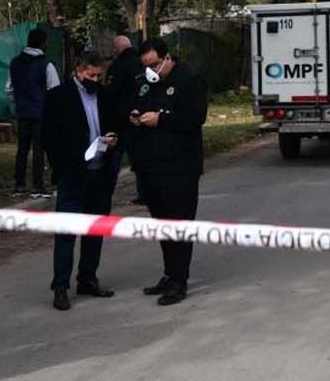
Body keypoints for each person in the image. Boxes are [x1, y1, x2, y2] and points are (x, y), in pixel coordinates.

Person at [128, 38, 208, 306]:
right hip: (152, 166)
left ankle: (179, 281)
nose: (151, 70)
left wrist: (161, 119)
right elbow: (138, 102)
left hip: (180, 167)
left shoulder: (189, 80)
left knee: (179, 225)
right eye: (146, 66)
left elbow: (195, 118)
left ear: (166, 57)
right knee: (162, 224)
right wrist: (136, 114)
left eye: (154, 64)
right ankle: (169, 273)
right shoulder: (146, 82)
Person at [42, 52, 120, 311]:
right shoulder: (58, 97)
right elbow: (49, 138)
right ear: (78, 71)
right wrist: (62, 168)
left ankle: (88, 278)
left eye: (99, 75)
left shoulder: (106, 96)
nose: (95, 80)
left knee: (95, 231)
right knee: (66, 234)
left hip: (100, 174)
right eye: (91, 75)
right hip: (73, 176)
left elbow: (116, 125)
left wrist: (114, 140)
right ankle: (60, 287)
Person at [8, 28, 60, 198]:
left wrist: (18, 103)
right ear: (43, 43)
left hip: (22, 113)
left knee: (21, 150)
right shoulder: (46, 64)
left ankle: (19, 185)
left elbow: (8, 89)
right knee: (39, 150)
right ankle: (38, 186)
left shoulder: (15, 63)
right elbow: (55, 92)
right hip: (41, 114)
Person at [103, 35, 145, 205]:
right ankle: (145, 193)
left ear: (119, 49)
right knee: (140, 159)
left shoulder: (117, 66)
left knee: (113, 160)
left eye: (114, 49)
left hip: (120, 121)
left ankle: (105, 194)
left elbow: (110, 94)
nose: (113, 52)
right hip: (140, 119)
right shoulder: (142, 64)